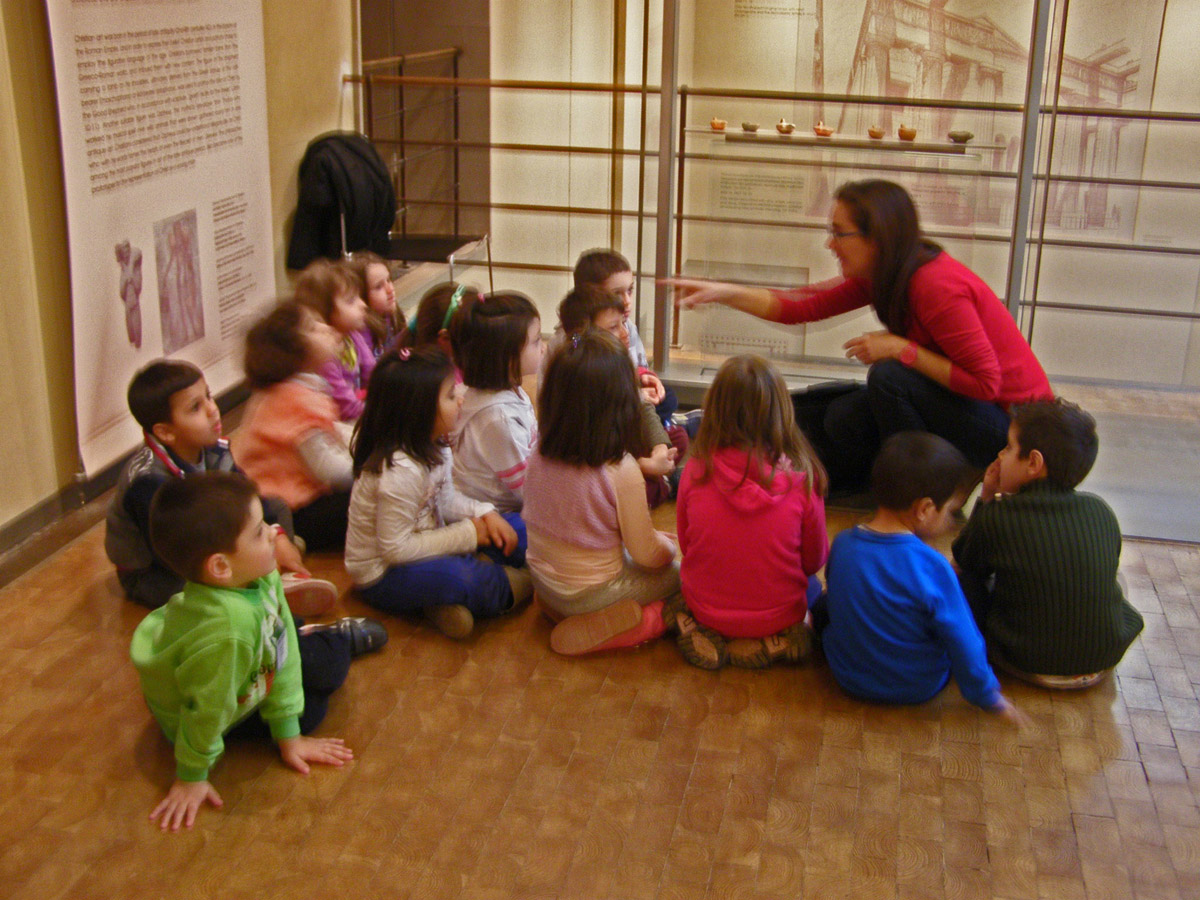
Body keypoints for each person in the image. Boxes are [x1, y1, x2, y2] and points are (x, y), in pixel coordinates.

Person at [668, 179, 1053, 489]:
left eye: (839, 233)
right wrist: (724, 292)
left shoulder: (935, 285)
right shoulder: (886, 271)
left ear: (877, 238)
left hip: (1013, 434)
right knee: (832, 412)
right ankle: (727, 462)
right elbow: (802, 306)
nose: (830, 244)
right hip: (965, 407)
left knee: (887, 379)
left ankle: (913, 491)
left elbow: (986, 384)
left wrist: (901, 349)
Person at [131, 472, 387, 832]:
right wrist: (192, 776)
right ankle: (331, 637)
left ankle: (304, 629)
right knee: (316, 698)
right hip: (209, 696)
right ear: (221, 567)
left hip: (242, 652)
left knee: (304, 668)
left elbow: (281, 649)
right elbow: (207, 710)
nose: (272, 533)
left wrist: (288, 734)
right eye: (258, 532)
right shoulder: (227, 633)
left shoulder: (259, 573)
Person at [814, 432, 1021, 719]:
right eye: (949, 511)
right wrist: (987, 695)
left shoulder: (843, 543)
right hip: (918, 685)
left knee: (826, 602)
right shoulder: (932, 565)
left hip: (848, 678)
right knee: (964, 603)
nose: (949, 521)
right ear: (924, 509)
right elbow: (964, 639)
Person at [105, 359, 334, 615]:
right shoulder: (148, 482)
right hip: (158, 569)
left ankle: (273, 572)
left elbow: (245, 494)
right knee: (197, 592)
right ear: (166, 432)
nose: (212, 410)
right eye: (195, 407)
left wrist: (277, 535)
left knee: (276, 508)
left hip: (209, 532)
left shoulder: (213, 448)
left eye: (208, 396)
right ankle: (265, 584)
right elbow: (174, 554)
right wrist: (241, 560)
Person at [952, 399, 1143, 688]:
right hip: (1102, 660)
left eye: (1009, 448)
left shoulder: (999, 516)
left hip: (1025, 661)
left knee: (964, 580)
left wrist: (987, 498)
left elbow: (963, 560)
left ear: (1033, 463)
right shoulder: (1101, 510)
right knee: (1117, 581)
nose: (1000, 455)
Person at [345, 348, 532, 639]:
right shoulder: (400, 470)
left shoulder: (434, 444)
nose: (461, 399)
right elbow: (395, 550)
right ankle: (511, 582)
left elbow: (444, 502)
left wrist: (484, 513)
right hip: (384, 573)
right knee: (463, 578)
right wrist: (469, 535)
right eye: (450, 395)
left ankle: (437, 601)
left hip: (427, 543)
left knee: (519, 527)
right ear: (417, 410)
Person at [523, 330, 680, 656]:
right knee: (685, 579)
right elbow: (646, 554)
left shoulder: (538, 451)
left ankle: (558, 611)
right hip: (589, 594)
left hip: (541, 581)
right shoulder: (621, 469)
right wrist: (669, 549)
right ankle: (640, 623)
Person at [672, 354, 829, 670]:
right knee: (814, 589)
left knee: (676, 586)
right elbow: (814, 561)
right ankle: (776, 643)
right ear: (781, 411)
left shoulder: (695, 470)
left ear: (714, 409)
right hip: (780, 616)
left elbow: (687, 546)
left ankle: (697, 632)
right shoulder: (803, 481)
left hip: (706, 610)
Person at [232, 301, 354, 553]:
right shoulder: (292, 401)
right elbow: (331, 470)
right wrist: (374, 466)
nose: (326, 328)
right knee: (378, 495)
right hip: (290, 514)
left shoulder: (295, 391)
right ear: (292, 351)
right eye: (313, 327)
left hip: (296, 503)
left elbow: (334, 433)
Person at [556, 284, 682, 507]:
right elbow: (591, 457)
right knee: (640, 491)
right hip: (597, 467)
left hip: (621, 449)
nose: (625, 333)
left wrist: (660, 447)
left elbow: (642, 405)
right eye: (614, 327)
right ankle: (664, 483)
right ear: (584, 334)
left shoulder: (616, 361)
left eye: (623, 323)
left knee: (677, 437)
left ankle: (660, 475)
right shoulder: (581, 378)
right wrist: (645, 465)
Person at [447, 290, 543, 529]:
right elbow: (529, 493)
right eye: (536, 341)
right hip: (493, 513)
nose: (543, 347)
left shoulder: (509, 390)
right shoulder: (497, 418)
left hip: (513, 497)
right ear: (508, 358)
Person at [574, 248, 678, 427]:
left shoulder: (628, 325)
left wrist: (644, 377)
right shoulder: (578, 338)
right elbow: (593, 392)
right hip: (600, 409)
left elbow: (637, 365)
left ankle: (662, 426)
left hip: (626, 392)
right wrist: (636, 396)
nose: (627, 301)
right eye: (617, 294)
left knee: (668, 397)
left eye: (630, 290)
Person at [295, 258, 375, 421]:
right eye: (351, 300)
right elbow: (346, 409)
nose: (363, 305)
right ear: (325, 312)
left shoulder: (352, 335)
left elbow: (373, 372)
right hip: (335, 421)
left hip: (355, 408)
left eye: (359, 297)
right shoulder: (324, 358)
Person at [346, 250, 408, 359]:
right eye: (379, 287)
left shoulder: (392, 314)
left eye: (388, 280)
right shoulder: (362, 332)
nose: (390, 289)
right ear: (361, 296)